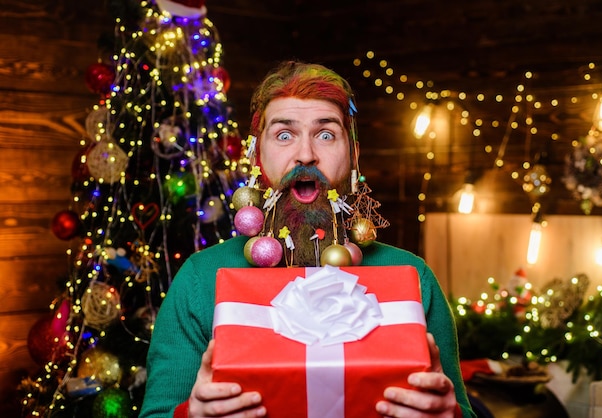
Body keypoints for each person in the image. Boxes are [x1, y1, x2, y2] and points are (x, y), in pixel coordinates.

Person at [139, 61, 476, 418]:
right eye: (284, 135)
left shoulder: (411, 277)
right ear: (255, 156)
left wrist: (448, 414)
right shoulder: (201, 278)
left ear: (353, 155)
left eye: (326, 134)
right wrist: (192, 416)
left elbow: (460, 411)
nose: (305, 154)